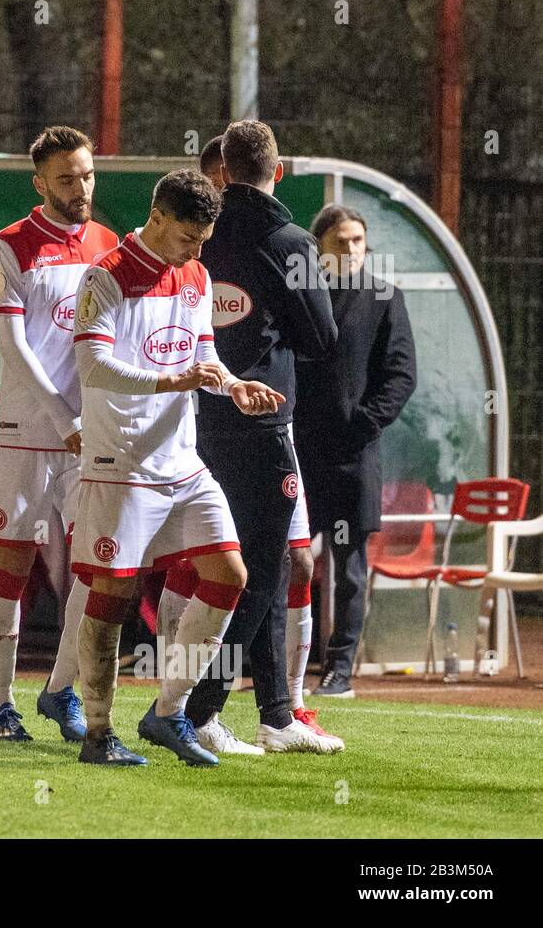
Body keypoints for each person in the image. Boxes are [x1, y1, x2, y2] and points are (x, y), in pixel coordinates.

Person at [70, 169, 284, 768]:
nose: (196, 251)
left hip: (181, 460)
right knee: (111, 595)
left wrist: (234, 386)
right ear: (157, 218)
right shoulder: (106, 276)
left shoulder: (195, 273)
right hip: (123, 461)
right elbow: (95, 367)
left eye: (203, 241)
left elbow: (203, 353)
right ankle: (97, 733)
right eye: (188, 237)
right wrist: (172, 380)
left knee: (229, 575)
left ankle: (168, 712)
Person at [172, 120, 341, 755]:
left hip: (198, 416)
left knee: (245, 564)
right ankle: (200, 707)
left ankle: (274, 713)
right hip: (264, 419)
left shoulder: (200, 236)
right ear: (278, 170)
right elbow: (320, 340)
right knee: (260, 568)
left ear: (223, 171)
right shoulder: (288, 240)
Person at [0, 125, 119, 742]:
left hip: (92, 438)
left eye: (87, 175)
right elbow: (14, 345)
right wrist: (62, 418)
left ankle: (59, 689)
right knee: (11, 564)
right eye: (66, 178)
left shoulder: (110, 245)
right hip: (27, 431)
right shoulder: (9, 245)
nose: (80, 187)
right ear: (40, 184)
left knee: (97, 568)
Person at [298, 203, 417, 696]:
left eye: (357, 241)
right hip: (299, 453)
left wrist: (363, 426)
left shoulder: (384, 296)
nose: (350, 249)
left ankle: (339, 670)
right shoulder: (299, 295)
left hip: (354, 455)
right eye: (340, 241)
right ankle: (284, 665)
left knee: (348, 567)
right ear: (318, 246)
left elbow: (401, 375)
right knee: (290, 560)